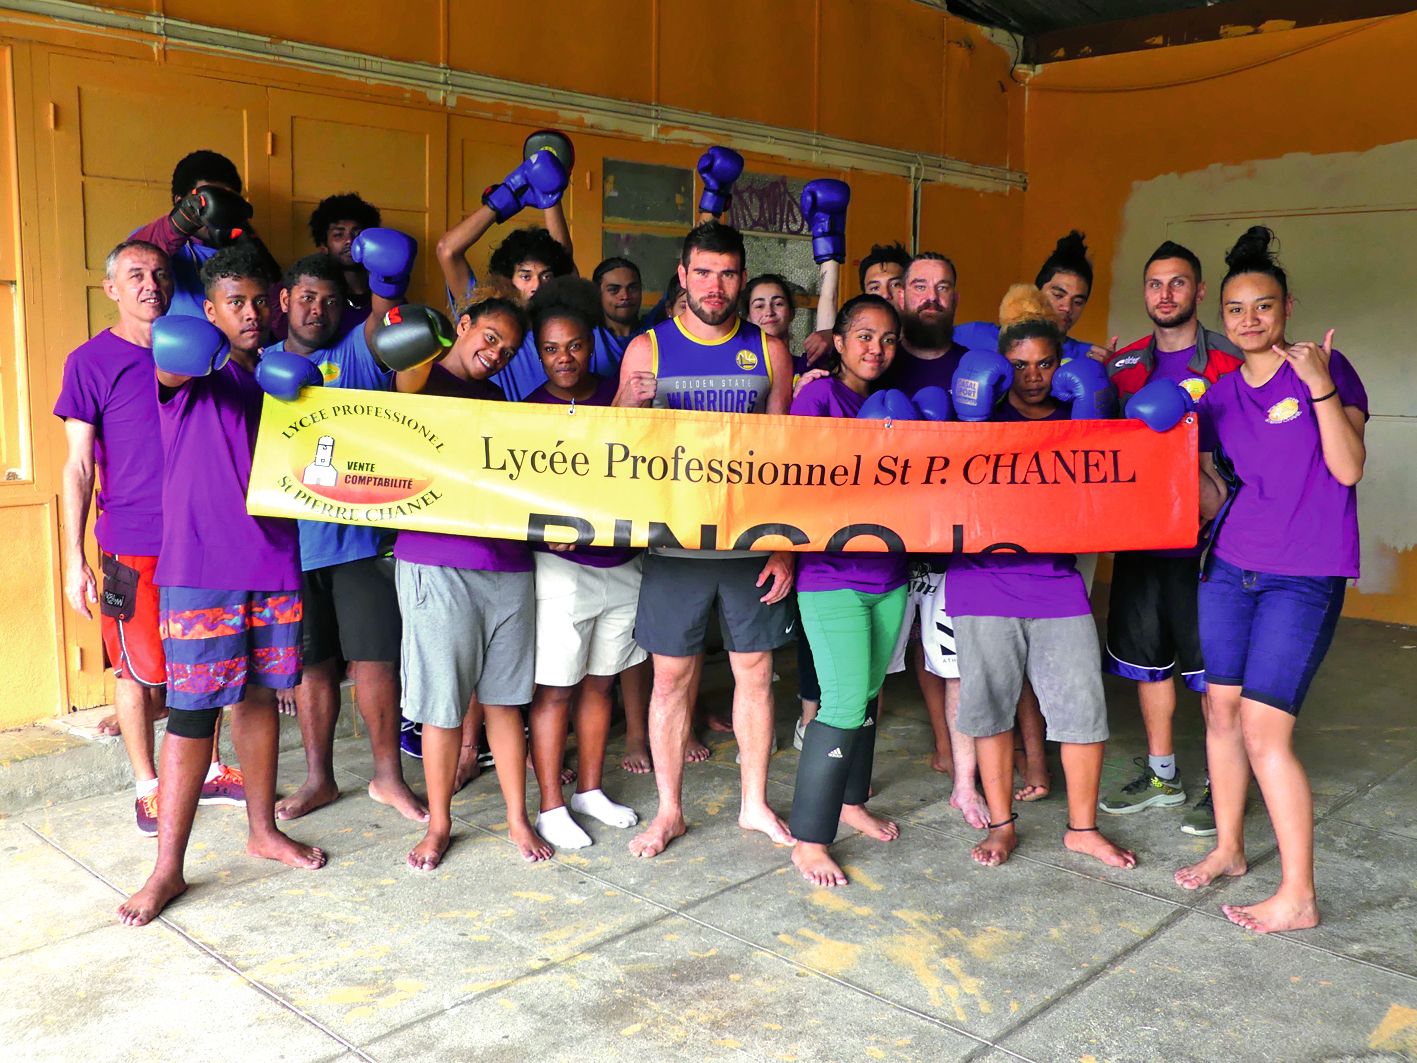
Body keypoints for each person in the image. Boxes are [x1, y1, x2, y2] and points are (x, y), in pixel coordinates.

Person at [118, 243, 325, 927]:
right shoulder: (187, 370)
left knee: (262, 696)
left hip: (272, 560)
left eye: (259, 301)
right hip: (201, 569)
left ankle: (261, 829)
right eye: (235, 302)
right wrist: (196, 342)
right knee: (192, 711)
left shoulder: (279, 381)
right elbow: (171, 356)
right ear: (208, 311)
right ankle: (167, 869)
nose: (252, 313)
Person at [1175, 226, 1366, 934]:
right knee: (1219, 712)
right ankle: (1228, 847)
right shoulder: (1219, 395)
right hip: (1228, 567)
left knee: (1263, 732)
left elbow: (1346, 468)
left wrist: (1317, 385)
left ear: (1286, 307)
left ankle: (1298, 895)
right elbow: (1207, 491)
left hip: (1303, 575)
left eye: (1262, 305)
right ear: (1218, 315)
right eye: (1234, 308)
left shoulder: (1328, 367)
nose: (1248, 318)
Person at [615, 220, 795, 858]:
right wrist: (629, 407)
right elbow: (615, 448)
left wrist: (785, 544)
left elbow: (786, 456)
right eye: (703, 273)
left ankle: (753, 804)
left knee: (756, 671)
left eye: (727, 274)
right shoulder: (648, 349)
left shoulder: (770, 351)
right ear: (683, 276)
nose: (715, 286)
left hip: (749, 545)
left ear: (741, 279)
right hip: (674, 547)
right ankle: (669, 811)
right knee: (670, 681)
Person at [55, 239, 244, 834]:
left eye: (160, 274)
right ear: (112, 288)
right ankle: (148, 785)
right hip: (129, 543)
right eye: (135, 275)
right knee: (137, 671)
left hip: (201, 537)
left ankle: (209, 767)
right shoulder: (89, 361)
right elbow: (79, 464)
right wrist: (73, 560)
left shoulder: (198, 349)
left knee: (206, 656)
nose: (150, 284)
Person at [948, 284, 1135, 871]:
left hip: (1057, 583)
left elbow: (1111, 493)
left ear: (1063, 365)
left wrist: (1095, 414)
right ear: (1001, 368)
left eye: (1045, 364)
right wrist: (968, 419)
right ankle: (1002, 826)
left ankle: (1083, 828)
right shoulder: (975, 417)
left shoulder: (1084, 418)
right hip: (981, 580)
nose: (1032, 377)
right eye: (1019, 365)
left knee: (1083, 709)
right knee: (990, 710)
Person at [373, 289, 546, 868]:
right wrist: (429, 336)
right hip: (437, 564)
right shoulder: (422, 382)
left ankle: (517, 820)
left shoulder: (497, 400)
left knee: (504, 703)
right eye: (489, 338)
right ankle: (440, 824)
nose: (497, 353)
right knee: (441, 707)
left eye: (509, 349)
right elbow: (406, 376)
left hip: (509, 566)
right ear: (464, 324)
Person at [257, 244, 427, 825]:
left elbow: (383, 323)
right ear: (285, 300)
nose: (317, 310)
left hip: (361, 541)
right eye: (306, 297)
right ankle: (319, 780)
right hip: (288, 547)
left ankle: (388, 778)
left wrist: (388, 280)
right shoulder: (256, 360)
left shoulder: (353, 350)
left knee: (377, 659)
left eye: (330, 301)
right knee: (313, 666)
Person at [1099, 241, 1243, 835]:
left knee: (1213, 673)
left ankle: (1220, 785)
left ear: (1200, 292)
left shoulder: (1232, 362)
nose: (1166, 294)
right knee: (1149, 662)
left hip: (1212, 545)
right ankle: (1163, 776)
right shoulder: (1122, 365)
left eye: (1178, 283)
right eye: (1156, 284)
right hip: (1140, 539)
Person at [787, 294, 907, 887]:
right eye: (863, 336)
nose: (875, 350)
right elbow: (793, 476)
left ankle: (851, 802)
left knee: (867, 693)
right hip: (831, 574)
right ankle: (809, 839)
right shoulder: (817, 396)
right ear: (838, 341)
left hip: (890, 573)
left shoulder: (903, 404)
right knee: (838, 703)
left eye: (887, 340)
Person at [521, 277, 642, 847]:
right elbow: (521, 493)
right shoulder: (530, 412)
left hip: (622, 560)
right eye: (550, 348)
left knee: (601, 684)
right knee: (556, 689)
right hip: (560, 567)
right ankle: (549, 806)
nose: (563, 357)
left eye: (573, 345)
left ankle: (589, 789)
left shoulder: (618, 394)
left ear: (591, 343)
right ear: (536, 352)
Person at [434, 133, 576, 402]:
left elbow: (563, 260)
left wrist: (550, 198)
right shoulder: (482, 309)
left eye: (546, 277)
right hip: (494, 433)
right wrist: (505, 195)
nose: (536, 285)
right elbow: (448, 250)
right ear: (507, 278)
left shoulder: (559, 320)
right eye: (525, 276)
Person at [953, 231, 1114, 364]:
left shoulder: (1088, 358)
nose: (1067, 308)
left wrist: (1111, 372)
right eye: (1058, 295)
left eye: (1078, 302)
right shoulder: (974, 336)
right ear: (1036, 292)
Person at [308, 192, 382, 334]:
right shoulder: (315, 302)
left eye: (357, 233)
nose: (350, 240)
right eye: (338, 235)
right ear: (323, 246)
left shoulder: (385, 293)